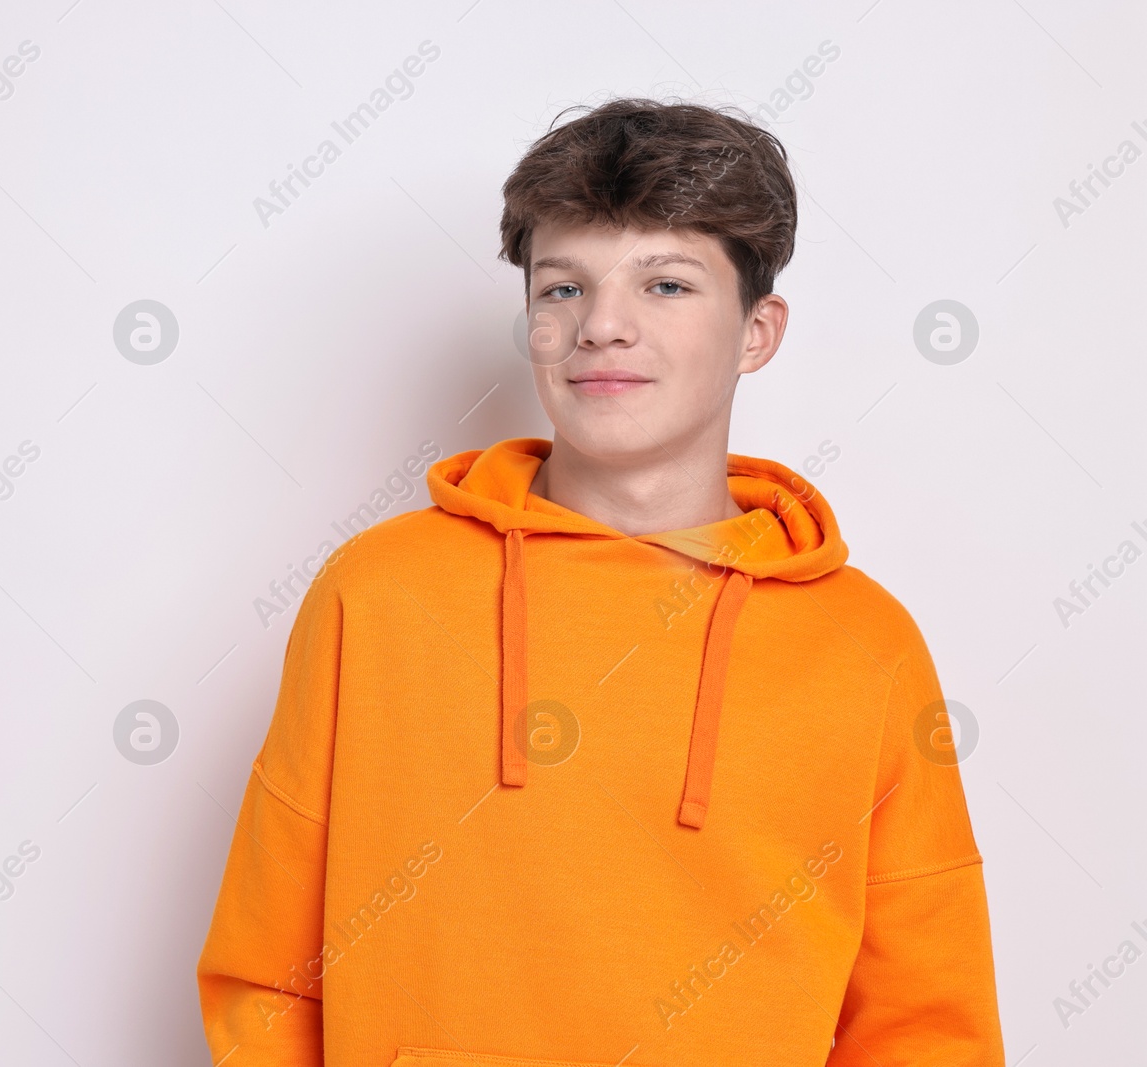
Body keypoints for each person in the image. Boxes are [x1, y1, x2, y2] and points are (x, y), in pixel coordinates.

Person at [196, 97, 1004, 1066]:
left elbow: (925, 1027)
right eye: (563, 288)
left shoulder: (865, 647)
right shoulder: (375, 597)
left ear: (757, 329)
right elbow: (265, 975)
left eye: (664, 285)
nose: (601, 327)